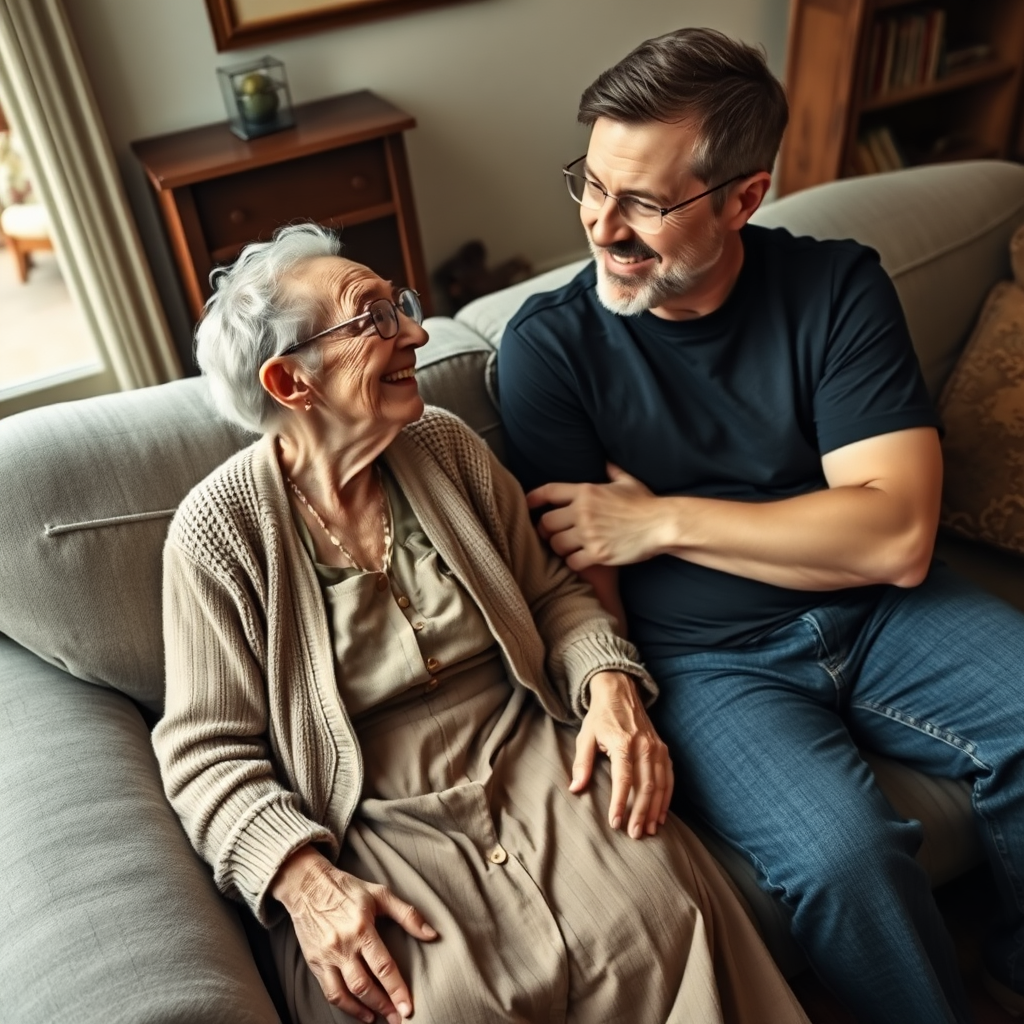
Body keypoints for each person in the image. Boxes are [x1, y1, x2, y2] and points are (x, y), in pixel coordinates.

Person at [497, 26, 1024, 1024]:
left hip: (881, 614)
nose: (601, 226)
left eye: (643, 202)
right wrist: (616, 688)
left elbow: (897, 538)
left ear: (743, 197)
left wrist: (659, 522)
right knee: (844, 857)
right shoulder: (548, 352)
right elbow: (588, 588)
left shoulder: (834, 288)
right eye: (590, 184)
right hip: (709, 664)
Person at [152, 223, 809, 1024]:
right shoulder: (217, 534)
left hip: (535, 760)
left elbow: (554, 596)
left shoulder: (447, 449)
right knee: (440, 1007)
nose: (417, 333)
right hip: (370, 820)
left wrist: (609, 683)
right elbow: (203, 754)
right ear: (292, 382)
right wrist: (299, 877)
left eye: (403, 307)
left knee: (669, 919)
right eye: (375, 318)